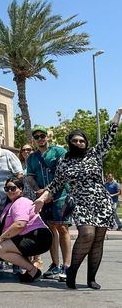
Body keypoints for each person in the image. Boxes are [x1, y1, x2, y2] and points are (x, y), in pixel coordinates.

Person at [35, 109, 121, 290]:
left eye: (82, 141)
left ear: (86, 143)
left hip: (101, 201)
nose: (79, 143)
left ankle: (91, 278)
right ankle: (72, 271)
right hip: (80, 202)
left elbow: (109, 136)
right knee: (87, 234)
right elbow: (56, 184)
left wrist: (118, 114)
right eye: (75, 140)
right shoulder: (64, 161)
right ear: (70, 142)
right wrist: (43, 198)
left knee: (98, 239)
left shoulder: (95, 154)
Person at [25, 125, 70, 281]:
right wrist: (39, 191)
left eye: (42, 135)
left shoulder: (59, 152)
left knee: (62, 228)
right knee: (50, 229)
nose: (40, 139)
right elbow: (30, 177)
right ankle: (55, 265)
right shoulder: (32, 158)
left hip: (60, 195)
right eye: (36, 137)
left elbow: (64, 173)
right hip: (43, 197)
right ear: (34, 140)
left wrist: (48, 191)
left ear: (47, 136)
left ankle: (67, 266)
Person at [0, 177, 52, 283]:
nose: (10, 191)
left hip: (37, 237)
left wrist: (1, 238)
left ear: (21, 189)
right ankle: (31, 271)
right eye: (7, 189)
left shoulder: (21, 202)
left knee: (0, 247)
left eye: (13, 188)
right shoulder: (11, 204)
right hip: (29, 236)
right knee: (0, 246)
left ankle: (33, 270)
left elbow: (20, 224)